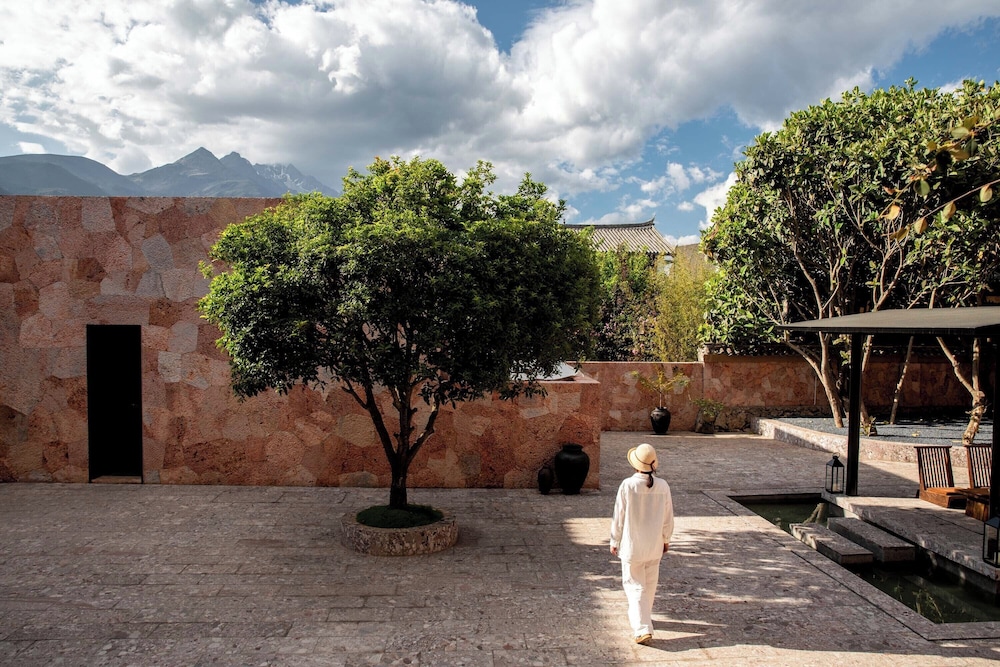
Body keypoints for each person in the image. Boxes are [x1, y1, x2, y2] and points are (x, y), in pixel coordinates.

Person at [609, 443, 674, 645]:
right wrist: (666, 539)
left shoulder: (628, 485)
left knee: (634, 585)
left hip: (633, 545)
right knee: (650, 584)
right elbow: (668, 517)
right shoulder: (663, 486)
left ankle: (642, 627)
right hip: (654, 545)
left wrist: (614, 539)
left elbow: (619, 516)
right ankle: (644, 617)